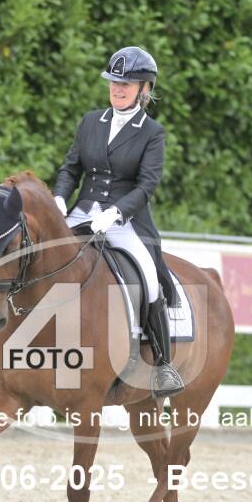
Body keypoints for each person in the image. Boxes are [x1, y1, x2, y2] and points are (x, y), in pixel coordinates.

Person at [53, 46, 184, 398]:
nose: (117, 88)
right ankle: (3, 345)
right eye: (114, 82)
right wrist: (60, 198)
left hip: (125, 221)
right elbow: (71, 169)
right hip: (83, 211)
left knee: (150, 279)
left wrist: (115, 213)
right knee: (38, 254)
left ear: (144, 89)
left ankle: (163, 364)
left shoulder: (152, 132)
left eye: (126, 84)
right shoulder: (90, 121)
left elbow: (146, 186)